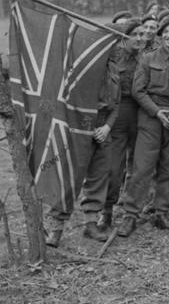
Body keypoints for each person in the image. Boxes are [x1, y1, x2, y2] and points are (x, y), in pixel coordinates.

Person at [117, 15, 169, 237]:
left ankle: (162, 212)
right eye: (167, 32)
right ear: (161, 36)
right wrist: (156, 112)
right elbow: (138, 90)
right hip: (151, 119)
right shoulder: (147, 58)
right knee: (141, 169)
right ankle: (130, 215)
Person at [45, 49, 121, 247]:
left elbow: (117, 103)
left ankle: (90, 224)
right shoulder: (83, 67)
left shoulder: (114, 68)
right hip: (81, 125)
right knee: (70, 178)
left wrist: (107, 127)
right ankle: (56, 228)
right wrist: (82, 127)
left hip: (103, 127)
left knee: (99, 176)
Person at [97, 19, 145, 230]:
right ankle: (106, 211)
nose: (140, 38)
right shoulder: (113, 57)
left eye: (142, 35)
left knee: (138, 167)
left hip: (142, 114)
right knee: (113, 168)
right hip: (117, 114)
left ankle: (130, 213)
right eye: (135, 34)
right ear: (124, 38)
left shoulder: (146, 58)